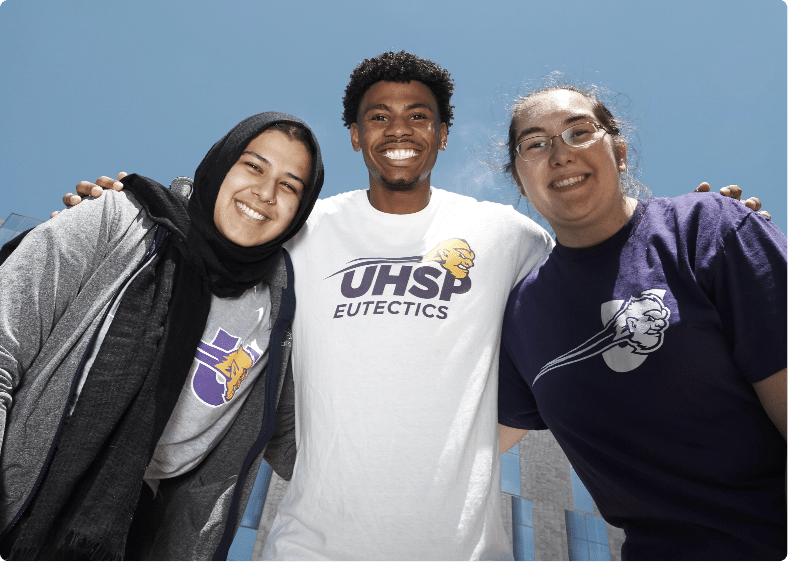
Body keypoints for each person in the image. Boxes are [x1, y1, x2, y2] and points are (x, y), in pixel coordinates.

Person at [60, 52, 768, 560]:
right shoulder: (303, 233)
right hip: (309, 544)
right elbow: (212, 233)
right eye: (379, 116)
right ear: (356, 135)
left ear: (444, 134)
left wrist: (722, 224)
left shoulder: (510, 238)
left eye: (418, 116)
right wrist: (117, 213)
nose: (399, 129)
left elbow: (607, 259)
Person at [0, 112, 324, 560]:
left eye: (290, 186)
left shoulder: (279, 318)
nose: (265, 194)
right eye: (253, 166)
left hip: (140, 538)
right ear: (220, 164)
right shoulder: (117, 218)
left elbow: (308, 452)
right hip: (22, 502)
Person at [497, 82, 787, 560]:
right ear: (518, 177)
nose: (560, 154)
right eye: (535, 143)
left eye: (578, 131)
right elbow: (471, 447)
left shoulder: (707, 227)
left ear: (620, 151)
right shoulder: (522, 316)